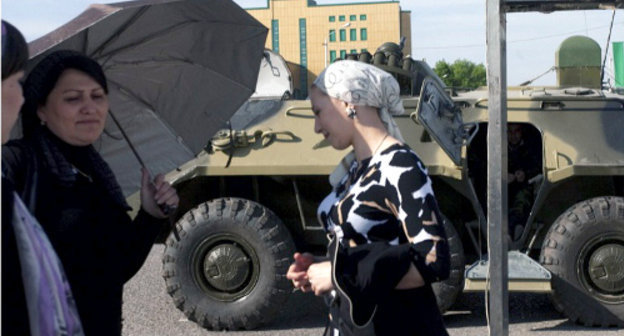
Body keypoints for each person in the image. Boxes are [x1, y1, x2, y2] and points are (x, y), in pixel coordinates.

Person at [2, 49, 179, 336]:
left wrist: (150, 215)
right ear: (40, 109)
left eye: (98, 96)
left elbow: (115, 270)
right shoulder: (15, 165)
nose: (90, 107)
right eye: (73, 98)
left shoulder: (98, 173)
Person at [286, 60, 450, 336]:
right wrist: (319, 266)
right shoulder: (356, 168)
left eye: (318, 112)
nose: (316, 126)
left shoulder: (401, 166)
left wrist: (339, 277)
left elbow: (434, 261)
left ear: (348, 103)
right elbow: (368, 249)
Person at [2, 21, 84, 335]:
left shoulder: (91, 172)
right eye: (14, 82)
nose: (20, 98)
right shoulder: (16, 163)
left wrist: (149, 215)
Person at [507, 123, 540, 240]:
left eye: (516, 131)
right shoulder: (498, 149)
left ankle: (513, 232)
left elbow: (538, 167)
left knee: (521, 202)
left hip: (524, 186)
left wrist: (525, 174)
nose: (513, 135)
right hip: (502, 188)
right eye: (509, 132)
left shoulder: (530, 148)